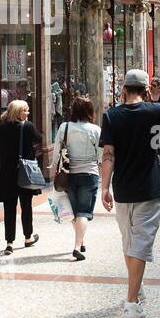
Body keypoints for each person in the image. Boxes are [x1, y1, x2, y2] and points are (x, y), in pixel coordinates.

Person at [100, 69, 160, 318]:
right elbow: (158, 148)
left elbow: (108, 154)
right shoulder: (156, 112)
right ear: (146, 90)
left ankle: (135, 291)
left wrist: (104, 188)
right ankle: (131, 301)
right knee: (139, 243)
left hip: (123, 188)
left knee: (130, 241)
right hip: (149, 187)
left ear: (124, 89)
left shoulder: (111, 116)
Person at [54, 96, 102, 261]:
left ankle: (81, 240)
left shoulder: (64, 127)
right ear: (89, 111)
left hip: (68, 176)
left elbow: (56, 152)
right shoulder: (95, 130)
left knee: (75, 212)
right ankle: (76, 247)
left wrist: (54, 169)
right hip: (89, 174)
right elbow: (101, 155)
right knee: (84, 212)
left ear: (73, 111)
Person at [0, 99, 42, 255]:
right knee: (26, 206)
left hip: (7, 173)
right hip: (25, 173)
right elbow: (39, 139)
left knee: (9, 208)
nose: (27, 113)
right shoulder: (27, 127)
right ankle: (28, 238)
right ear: (17, 112)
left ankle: (9, 242)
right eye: (25, 110)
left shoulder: (1, 128)